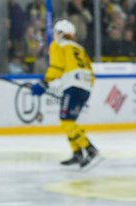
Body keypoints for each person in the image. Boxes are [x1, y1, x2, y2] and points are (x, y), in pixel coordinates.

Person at [31, 19, 99, 168]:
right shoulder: (79, 48)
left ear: (60, 33)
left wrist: (44, 83)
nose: (54, 35)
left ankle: (90, 149)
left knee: (67, 122)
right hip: (84, 88)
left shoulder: (58, 45)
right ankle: (78, 153)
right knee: (68, 121)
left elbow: (57, 67)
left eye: (56, 32)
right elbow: (91, 72)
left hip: (73, 87)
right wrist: (82, 86)